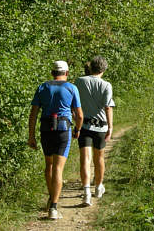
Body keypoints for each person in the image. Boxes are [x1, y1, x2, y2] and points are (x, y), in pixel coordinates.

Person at [28, 60, 83, 219]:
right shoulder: (72, 88)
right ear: (66, 73)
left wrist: (31, 136)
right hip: (63, 130)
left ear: (52, 73)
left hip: (45, 129)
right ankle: (53, 207)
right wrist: (77, 130)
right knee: (58, 169)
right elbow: (79, 115)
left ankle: (52, 198)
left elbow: (33, 114)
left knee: (49, 166)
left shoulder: (42, 87)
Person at [74, 55, 114, 206]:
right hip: (101, 126)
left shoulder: (79, 81)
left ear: (90, 67)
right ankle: (98, 187)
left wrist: (75, 121)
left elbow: (75, 103)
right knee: (99, 159)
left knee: (85, 159)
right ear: (104, 69)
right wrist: (110, 127)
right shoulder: (106, 85)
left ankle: (86, 193)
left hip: (84, 125)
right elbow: (108, 107)